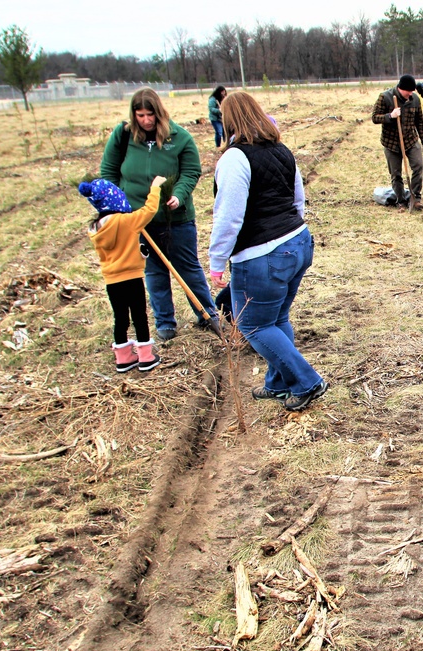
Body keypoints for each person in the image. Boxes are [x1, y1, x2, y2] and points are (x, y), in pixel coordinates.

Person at [208, 91, 328, 412]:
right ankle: (277, 384)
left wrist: (217, 262)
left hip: (262, 254)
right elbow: (297, 200)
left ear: (228, 120)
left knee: (254, 325)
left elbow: (229, 215)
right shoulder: (282, 150)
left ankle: (306, 382)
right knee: (276, 317)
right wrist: (290, 234)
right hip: (298, 242)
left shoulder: (235, 157)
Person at [100, 87, 217, 342]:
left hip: (177, 220)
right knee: (154, 271)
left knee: (188, 268)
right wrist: (116, 204)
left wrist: (180, 193)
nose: (146, 121)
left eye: (150, 115)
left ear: (159, 113)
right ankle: (165, 322)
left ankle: (207, 313)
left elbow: (191, 172)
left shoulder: (180, 138)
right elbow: (108, 171)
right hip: (138, 220)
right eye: (140, 115)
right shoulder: (123, 136)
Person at [79, 176, 165, 373]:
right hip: (132, 278)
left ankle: (123, 358)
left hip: (112, 281)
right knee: (139, 316)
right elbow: (149, 210)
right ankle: (146, 357)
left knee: (121, 318)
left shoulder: (95, 228)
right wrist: (155, 188)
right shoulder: (125, 221)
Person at [372, 75, 423, 212]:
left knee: (418, 166)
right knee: (396, 173)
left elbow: (420, 122)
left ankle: (415, 198)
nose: (410, 94)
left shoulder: (415, 99)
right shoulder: (385, 97)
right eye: (408, 91)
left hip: (410, 140)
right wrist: (390, 116)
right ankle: (401, 201)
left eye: (412, 91)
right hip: (391, 143)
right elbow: (374, 117)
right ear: (400, 88)